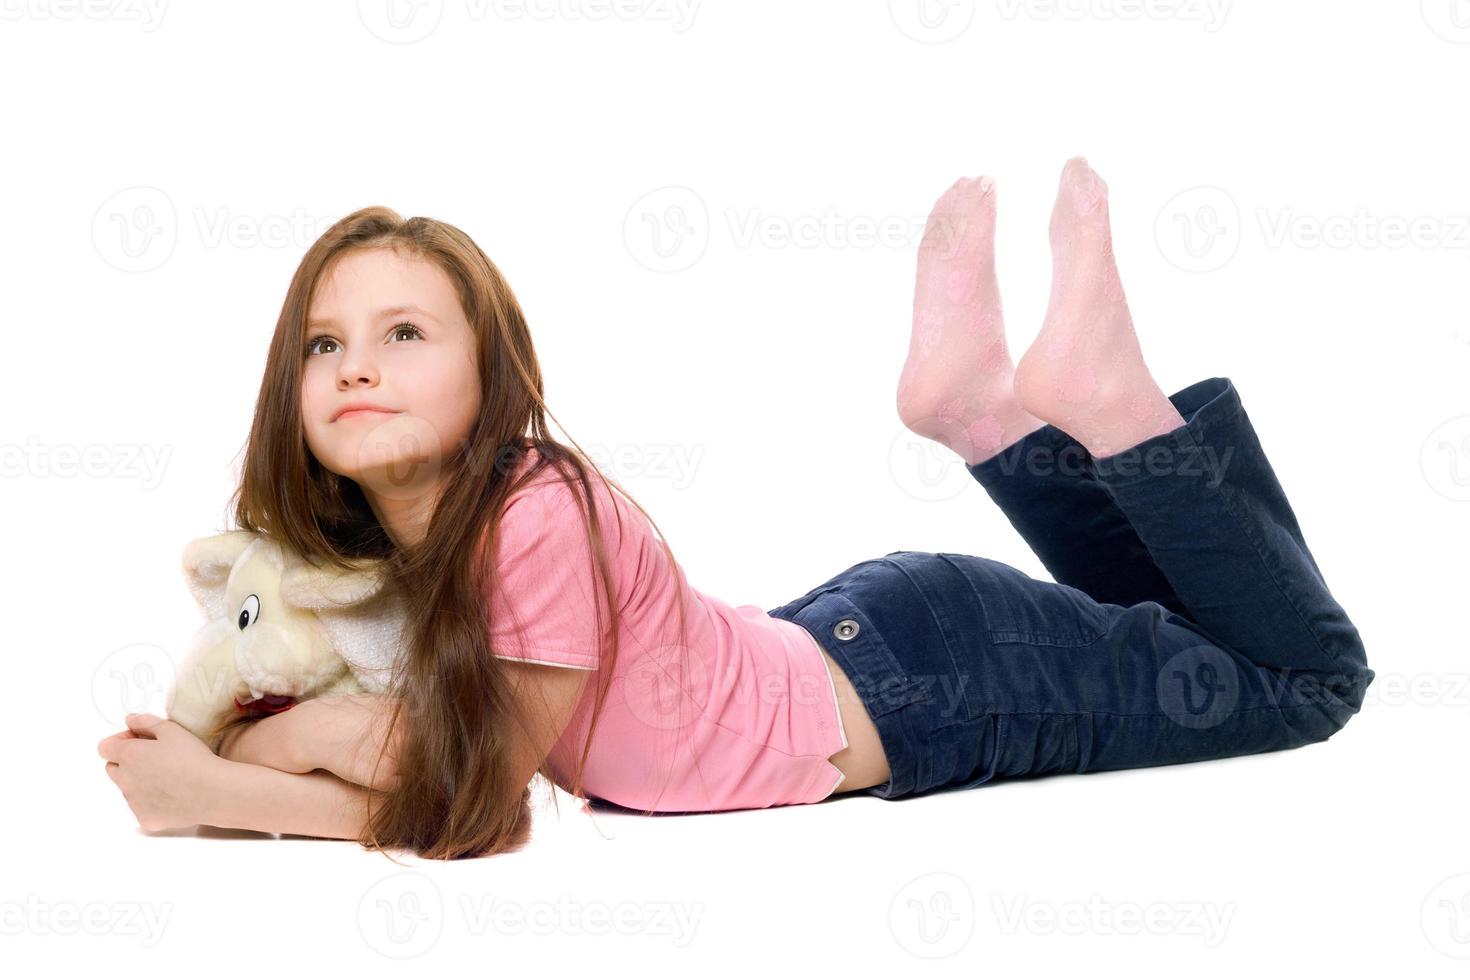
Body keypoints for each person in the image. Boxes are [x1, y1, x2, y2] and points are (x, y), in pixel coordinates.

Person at [100, 158, 1373, 860]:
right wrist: (264, 749)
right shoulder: (395, 548)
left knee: (1305, 681)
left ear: (496, 376)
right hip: (865, 643)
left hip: (932, 678)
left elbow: (468, 803)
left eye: (403, 330)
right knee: (1170, 631)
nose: (356, 364)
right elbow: (399, 750)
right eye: (323, 344)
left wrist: (229, 785)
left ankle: (1117, 413)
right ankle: (986, 412)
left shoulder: (537, 511)